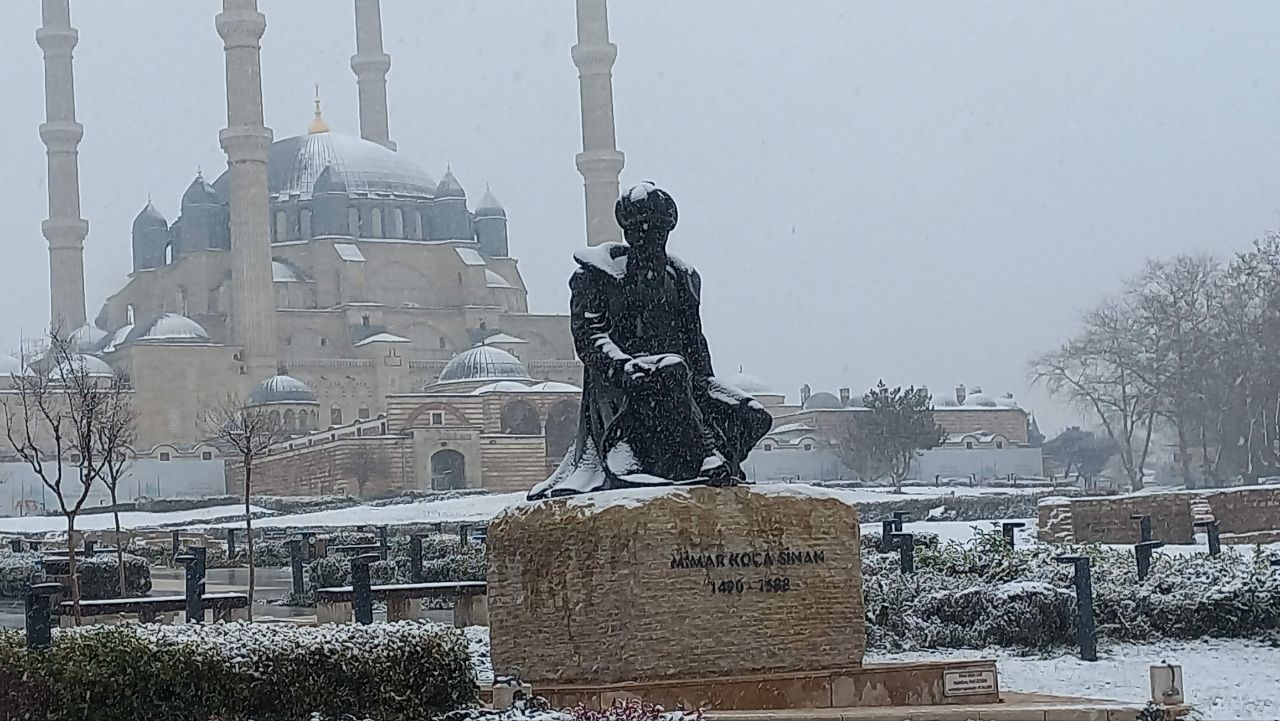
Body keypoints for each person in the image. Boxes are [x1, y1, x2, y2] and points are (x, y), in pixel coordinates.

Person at [528, 181, 772, 500]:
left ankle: (701, 467)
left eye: (657, 231)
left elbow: (694, 340)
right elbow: (590, 336)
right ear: (628, 232)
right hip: (622, 382)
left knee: (753, 415)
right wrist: (622, 366)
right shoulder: (595, 276)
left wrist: (706, 382)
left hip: (682, 377)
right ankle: (705, 459)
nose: (649, 239)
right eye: (641, 230)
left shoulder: (682, 278)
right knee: (671, 370)